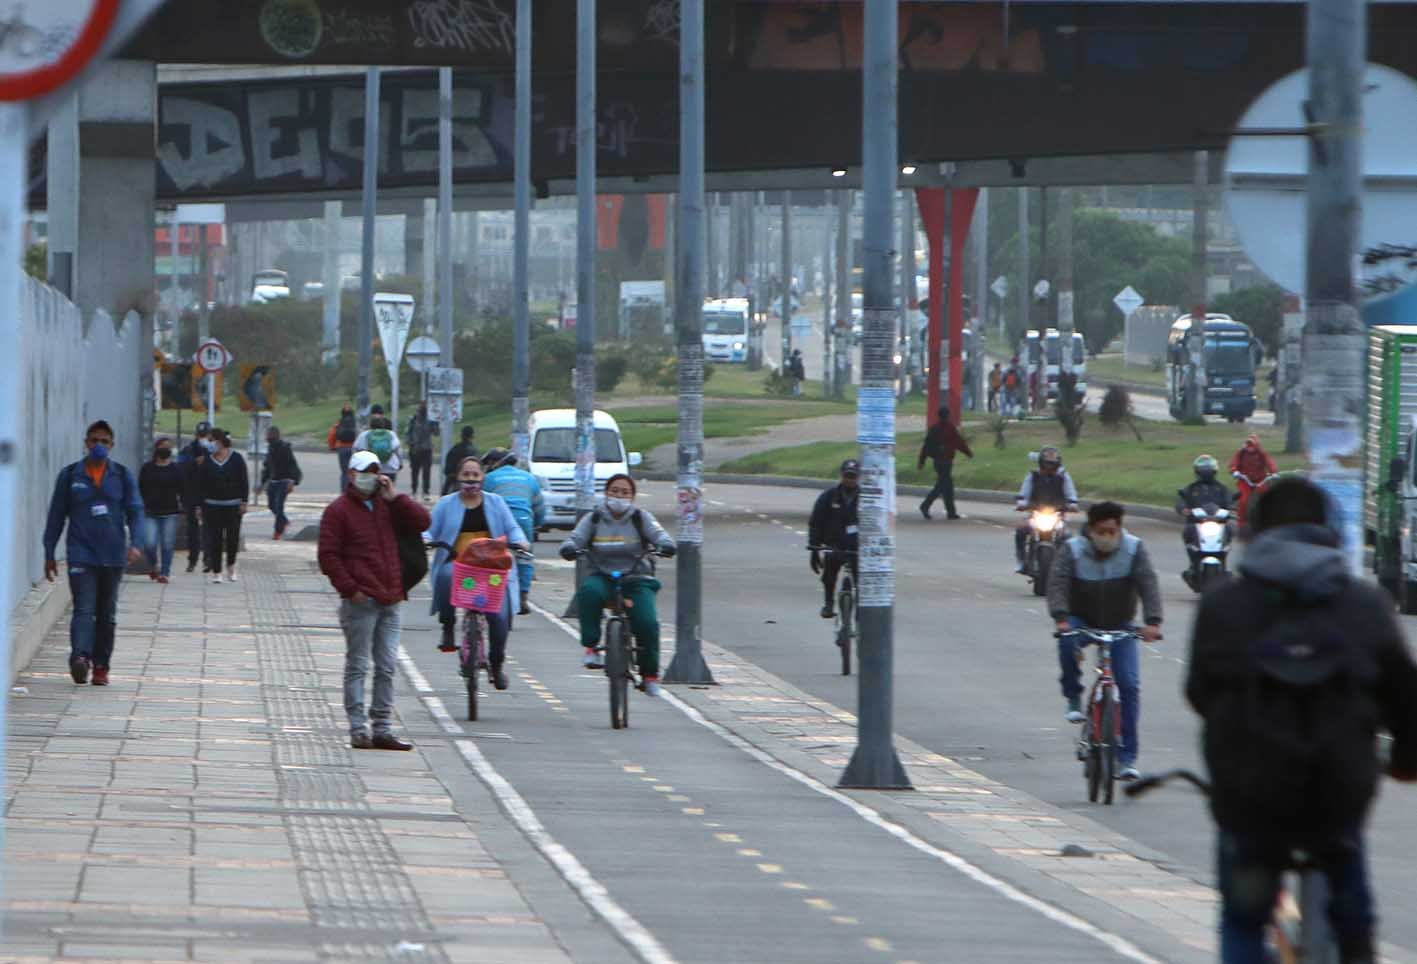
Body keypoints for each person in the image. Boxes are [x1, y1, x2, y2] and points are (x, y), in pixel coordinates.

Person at [1186, 478, 1417, 963]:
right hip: (1336, 791)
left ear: (1254, 532)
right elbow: (1405, 697)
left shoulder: (1224, 604)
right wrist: (1404, 759)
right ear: (1329, 532)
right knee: (1350, 901)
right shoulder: (1364, 605)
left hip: (1249, 797)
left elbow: (1200, 693)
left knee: (1244, 918)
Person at [318, 451, 432, 750]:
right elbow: (328, 556)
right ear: (351, 475)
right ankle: (358, 728)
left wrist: (396, 498)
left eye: (375, 471)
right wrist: (350, 589)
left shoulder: (388, 506)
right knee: (358, 665)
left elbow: (423, 522)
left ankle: (382, 727)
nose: (370, 476)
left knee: (387, 666)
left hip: (391, 597)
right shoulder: (338, 511)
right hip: (360, 600)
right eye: (364, 471)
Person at [1047, 500, 1163, 781]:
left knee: (1129, 685)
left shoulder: (1134, 549)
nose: (1107, 537)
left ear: (1120, 529)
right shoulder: (1072, 550)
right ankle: (1074, 695)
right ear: (1090, 529)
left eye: (1113, 531)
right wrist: (1061, 617)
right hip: (1081, 620)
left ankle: (1127, 757)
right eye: (1101, 531)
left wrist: (1153, 622)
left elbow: (1148, 583)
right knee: (1066, 642)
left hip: (1121, 624)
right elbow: (1057, 583)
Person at [43, 420, 145, 686]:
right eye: (94, 440)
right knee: (83, 608)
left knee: (107, 613)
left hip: (112, 555)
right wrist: (49, 552)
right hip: (81, 554)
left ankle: (101, 666)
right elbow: (56, 516)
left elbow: (135, 510)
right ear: (86, 443)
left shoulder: (122, 475)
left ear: (112, 445)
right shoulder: (70, 476)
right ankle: (80, 658)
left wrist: (136, 542)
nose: (98, 445)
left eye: (104, 441)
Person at [559, 474, 676, 695]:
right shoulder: (593, 519)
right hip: (603, 575)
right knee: (589, 593)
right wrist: (569, 548)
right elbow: (575, 538)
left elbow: (660, 535)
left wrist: (666, 545)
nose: (619, 496)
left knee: (647, 621)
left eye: (625, 492)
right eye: (614, 491)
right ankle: (592, 647)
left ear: (632, 497)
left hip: (637, 578)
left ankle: (649, 674)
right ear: (606, 493)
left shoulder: (641, 518)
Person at [426, 456, 529, 687]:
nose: (471, 481)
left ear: (483, 478)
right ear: (457, 477)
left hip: (491, 568)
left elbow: (512, 528)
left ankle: (496, 663)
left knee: (499, 616)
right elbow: (429, 530)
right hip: (460, 566)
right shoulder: (446, 504)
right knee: (445, 577)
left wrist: (520, 542)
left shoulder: (496, 503)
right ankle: (448, 626)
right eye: (466, 475)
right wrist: (425, 540)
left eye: (475, 475)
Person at [481, 447, 545, 614]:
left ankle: (494, 590)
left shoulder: (489, 478)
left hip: (498, 522)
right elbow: (539, 508)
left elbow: (482, 505)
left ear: (495, 463)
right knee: (525, 558)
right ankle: (523, 597)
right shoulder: (530, 479)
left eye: (488, 463)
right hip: (524, 521)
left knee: (494, 559)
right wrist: (536, 525)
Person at [194, 428, 249, 583]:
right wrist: (199, 506)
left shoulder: (236, 458)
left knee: (232, 538)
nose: (208, 443)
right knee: (215, 539)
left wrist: (244, 501)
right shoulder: (207, 461)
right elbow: (201, 485)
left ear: (220, 441)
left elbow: (243, 481)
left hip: (233, 505)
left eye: (211, 440)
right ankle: (217, 571)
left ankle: (231, 565)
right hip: (212, 506)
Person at [808, 459, 860, 619]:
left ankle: (861, 608)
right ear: (841, 475)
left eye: (853, 477)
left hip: (858, 547)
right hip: (834, 544)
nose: (850, 480)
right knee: (829, 572)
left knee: (862, 578)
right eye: (847, 476)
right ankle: (828, 603)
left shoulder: (867, 497)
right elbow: (816, 521)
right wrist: (815, 548)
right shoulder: (829, 496)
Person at [1014, 446, 1079, 573]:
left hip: (1058, 515)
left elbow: (1071, 495)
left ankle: (1068, 566)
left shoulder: (1063, 476)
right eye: (1047, 463)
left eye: (1052, 464)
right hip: (1036, 514)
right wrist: (1021, 503)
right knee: (1021, 531)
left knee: (1068, 537)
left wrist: (1072, 504)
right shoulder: (1032, 476)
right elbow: (1023, 494)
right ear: (1041, 463)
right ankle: (1021, 560)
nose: (1049, 467)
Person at [138, 437, 184, 583]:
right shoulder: (147, 468)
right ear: (156, 448)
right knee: (149, 543)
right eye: (163, 446)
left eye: (169, 447)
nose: (166, 449)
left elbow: (183, 490)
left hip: (170, 512)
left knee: (167, 544)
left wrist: (185, 508)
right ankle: (153, 566)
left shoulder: (176, 469)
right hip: (150, 512)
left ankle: (165, 572)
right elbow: (140, 488)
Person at [917, 405, 973, 521]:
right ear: (947, 416)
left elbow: (926, 446)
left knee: (948, 486)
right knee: (942, 486)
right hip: (945, 461)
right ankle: (925, 505)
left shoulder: (934, 428)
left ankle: (951, 512)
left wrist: (921, 461)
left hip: (938, 462)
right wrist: (968, 452)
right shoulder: (949, 428)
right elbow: (959, 442)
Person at [179, 422, 212, 573]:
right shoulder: (188, 450)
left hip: (209, 496)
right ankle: (192, 559)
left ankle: (208, 559)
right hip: (191, 495)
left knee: (209, 528)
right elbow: (181, 469)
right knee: (192, 530)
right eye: (201, 435)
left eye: (205, 435)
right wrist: (194, 463)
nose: (203, 438)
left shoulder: (213, 451)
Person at [260, 426, 303, 540]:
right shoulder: (270, 449)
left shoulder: (285, 448)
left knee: (279, 506)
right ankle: (284, 521)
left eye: (269, 435)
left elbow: (293, 465)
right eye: (266, 435)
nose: (267, 437)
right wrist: (262, 483)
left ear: (276, 435)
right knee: (271, 505)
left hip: (284, 481)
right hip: (273, 482)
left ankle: (278, 531)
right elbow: (267, 468)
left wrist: (292, 481)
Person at [1229, 434, 1278, 527]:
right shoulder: (1241, 453)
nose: (1250, 447)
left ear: (1256, 445)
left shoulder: (1262, 453)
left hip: (1261, 480)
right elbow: (1233, 463)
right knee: (1244, 501)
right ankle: (1241, 524)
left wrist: (1274, 472)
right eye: (1248, 444)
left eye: (1252, 444)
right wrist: (1234, 471)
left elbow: (1270, 463)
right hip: (1245, 481)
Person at [406, 402, 439, 499]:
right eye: (420, 409)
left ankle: (426, 491)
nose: (421, 411)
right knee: (414, 471)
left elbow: (436, 433)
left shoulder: (430, 420)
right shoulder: (413, 419)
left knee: (426, 471)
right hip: (415, 449)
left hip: (426, 449)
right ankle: (414, 490)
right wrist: (410, 443)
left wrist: (436, 423)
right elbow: (408, 433)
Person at [355, 416, 402, 482]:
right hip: (390, 468)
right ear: (383, 425)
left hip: (371, 469)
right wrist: (400, 463)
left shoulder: (364, 435)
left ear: (370, 425)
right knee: (389, 488)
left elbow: (356, 450)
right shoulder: (391, 434)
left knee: (372, 490)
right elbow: (398, 451)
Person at [442, 425, 480, 495]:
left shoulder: (454, 449)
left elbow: (447, 470)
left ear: (461, 436)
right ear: (472, 436)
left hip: (453, 483)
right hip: (469, 485)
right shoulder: (474, 452)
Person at [328, 405, 357, 474]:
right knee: (355, 471)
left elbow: (332, 435)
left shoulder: (339, 423)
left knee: (345, 472)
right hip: (354, 448)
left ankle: (344, 484)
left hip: (342, 448)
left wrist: (332, 447)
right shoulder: (356, 422)